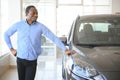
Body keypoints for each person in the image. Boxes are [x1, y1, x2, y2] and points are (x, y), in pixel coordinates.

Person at [4, 5, 72, 80]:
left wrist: (65, 48)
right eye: (33, 13)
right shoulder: (19, 25)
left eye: (37, 13)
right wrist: (11, 49)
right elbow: (6, 34)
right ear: (26, 14)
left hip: (32, 61)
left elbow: (53, 37)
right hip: (20, 59)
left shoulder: (40, 27)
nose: (36, 15)